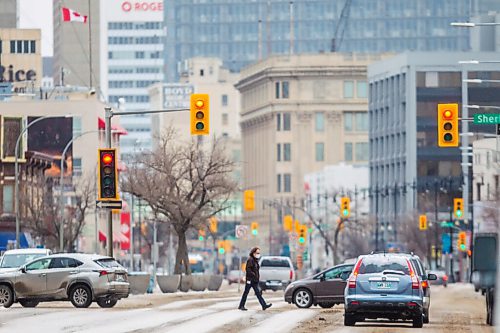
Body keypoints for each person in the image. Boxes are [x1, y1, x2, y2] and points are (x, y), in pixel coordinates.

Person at [238, 247, 272, 311]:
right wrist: (254, 275)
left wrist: (257, 277)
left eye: (259, 253)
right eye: (257, 253)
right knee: (246, 293)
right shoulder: (250, 260)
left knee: (258, 293)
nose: (258, 254)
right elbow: (248, 269)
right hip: (250, 280)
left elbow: (256, 270)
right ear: (253, 253)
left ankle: (264, 305)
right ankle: (241, 305)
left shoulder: (255, 260)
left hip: (254, 280)